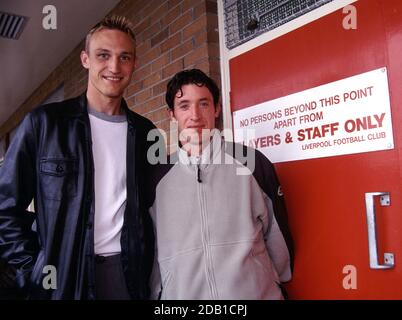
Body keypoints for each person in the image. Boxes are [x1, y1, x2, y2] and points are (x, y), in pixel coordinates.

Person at [0, 15, 157, 300]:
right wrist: (33, 266)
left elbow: (151, 208)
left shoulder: (146, 132)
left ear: (134, 64)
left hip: (128, 277)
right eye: (103, 55)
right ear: (85, 59)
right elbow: (4, 206)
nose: (114, 66)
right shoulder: (44, 124)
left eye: (125, 57)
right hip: (63, 278)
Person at [148, 69, 294, 300]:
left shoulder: (252, 163)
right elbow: (152, 247)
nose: (195, 115)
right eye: (184, 106)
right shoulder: (156, 178)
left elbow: (277, 236)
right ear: (172, 115)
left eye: (203, 104)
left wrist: (273, 279)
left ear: (216, 108)